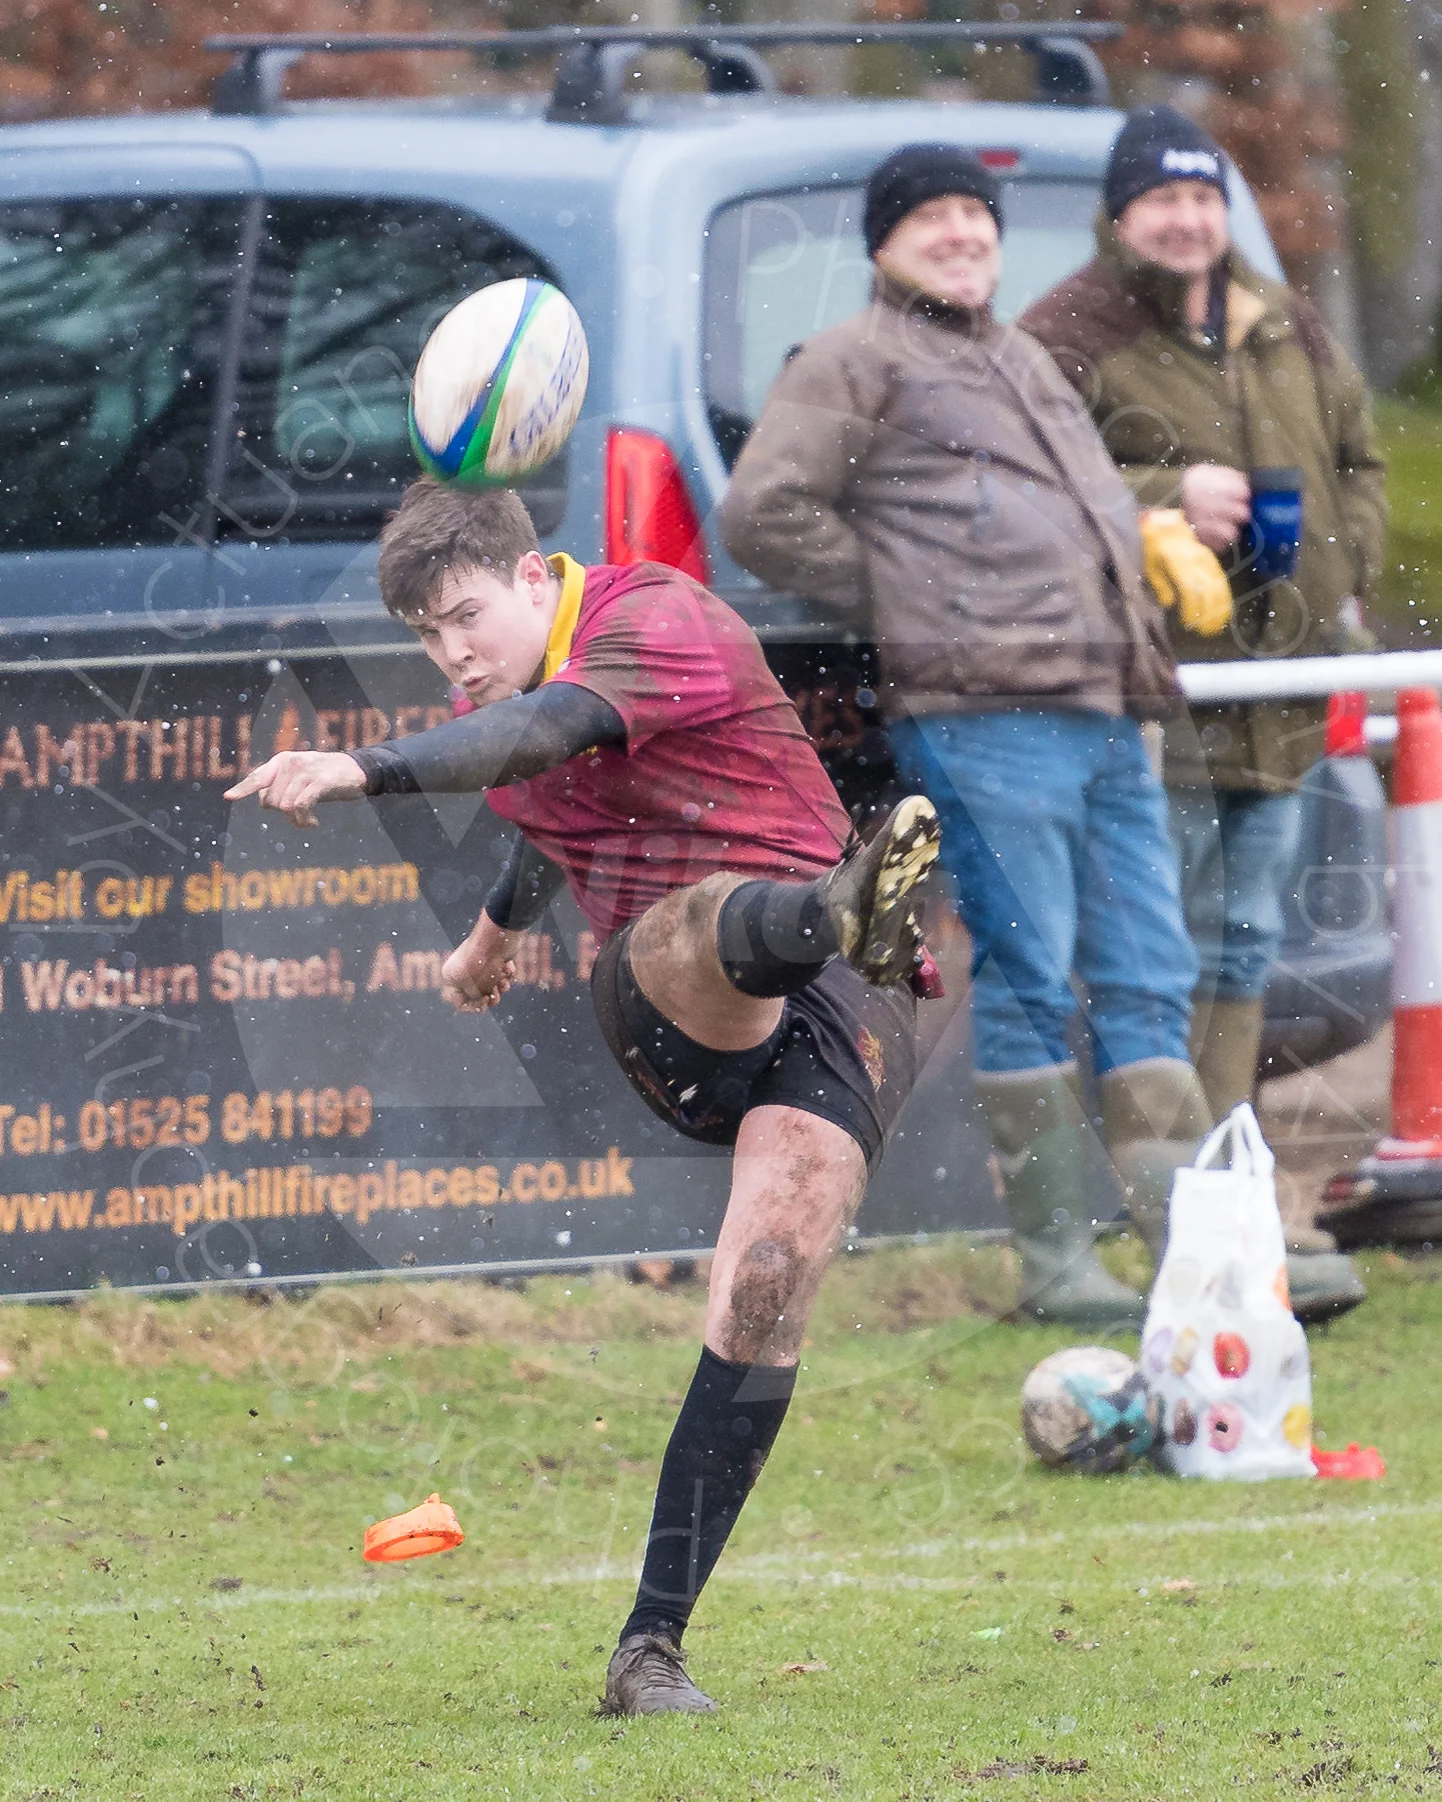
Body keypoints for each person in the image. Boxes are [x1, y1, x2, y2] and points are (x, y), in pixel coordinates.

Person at [225, 477, 940, 1716]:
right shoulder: (516, 701)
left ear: (533, 575)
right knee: (699, 921)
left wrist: (361, 766)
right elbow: (547, 782)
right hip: (670, 1000)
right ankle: (835, 907)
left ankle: (646, 1651)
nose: (451, 652)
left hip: (839, 997)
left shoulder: (661, 615)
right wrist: (495, 936)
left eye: (464, 616)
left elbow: (554, 736)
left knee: (766, 1282)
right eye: (424, 635)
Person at [719, 144, 1215, 1331]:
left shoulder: (1020, 355)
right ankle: (1054, 1261)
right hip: (982, 718)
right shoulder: (853, 354)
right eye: (930, 214)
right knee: (1035, 981)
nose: (959, 232)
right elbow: (759, 511)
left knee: (1151, 977)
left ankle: (1196, 1255)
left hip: (1100, 708)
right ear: (882, 242)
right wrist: (913, 601)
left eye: (973, 215)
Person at [1022, 105, 1379, 1315]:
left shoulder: (1283, 317)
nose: (1184, 218)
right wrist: (1173, 490)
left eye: (1201, 197)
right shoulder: (1069, 329)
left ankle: (1226, 1197)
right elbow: (1022, 481)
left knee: (1242, 947)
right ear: (1119, 215)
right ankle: (1152, 1210)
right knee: (1146, 957)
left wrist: (1341, 559)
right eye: (1160, 199)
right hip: (1148, 694)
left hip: (1279, 694)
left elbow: (1356, 459)